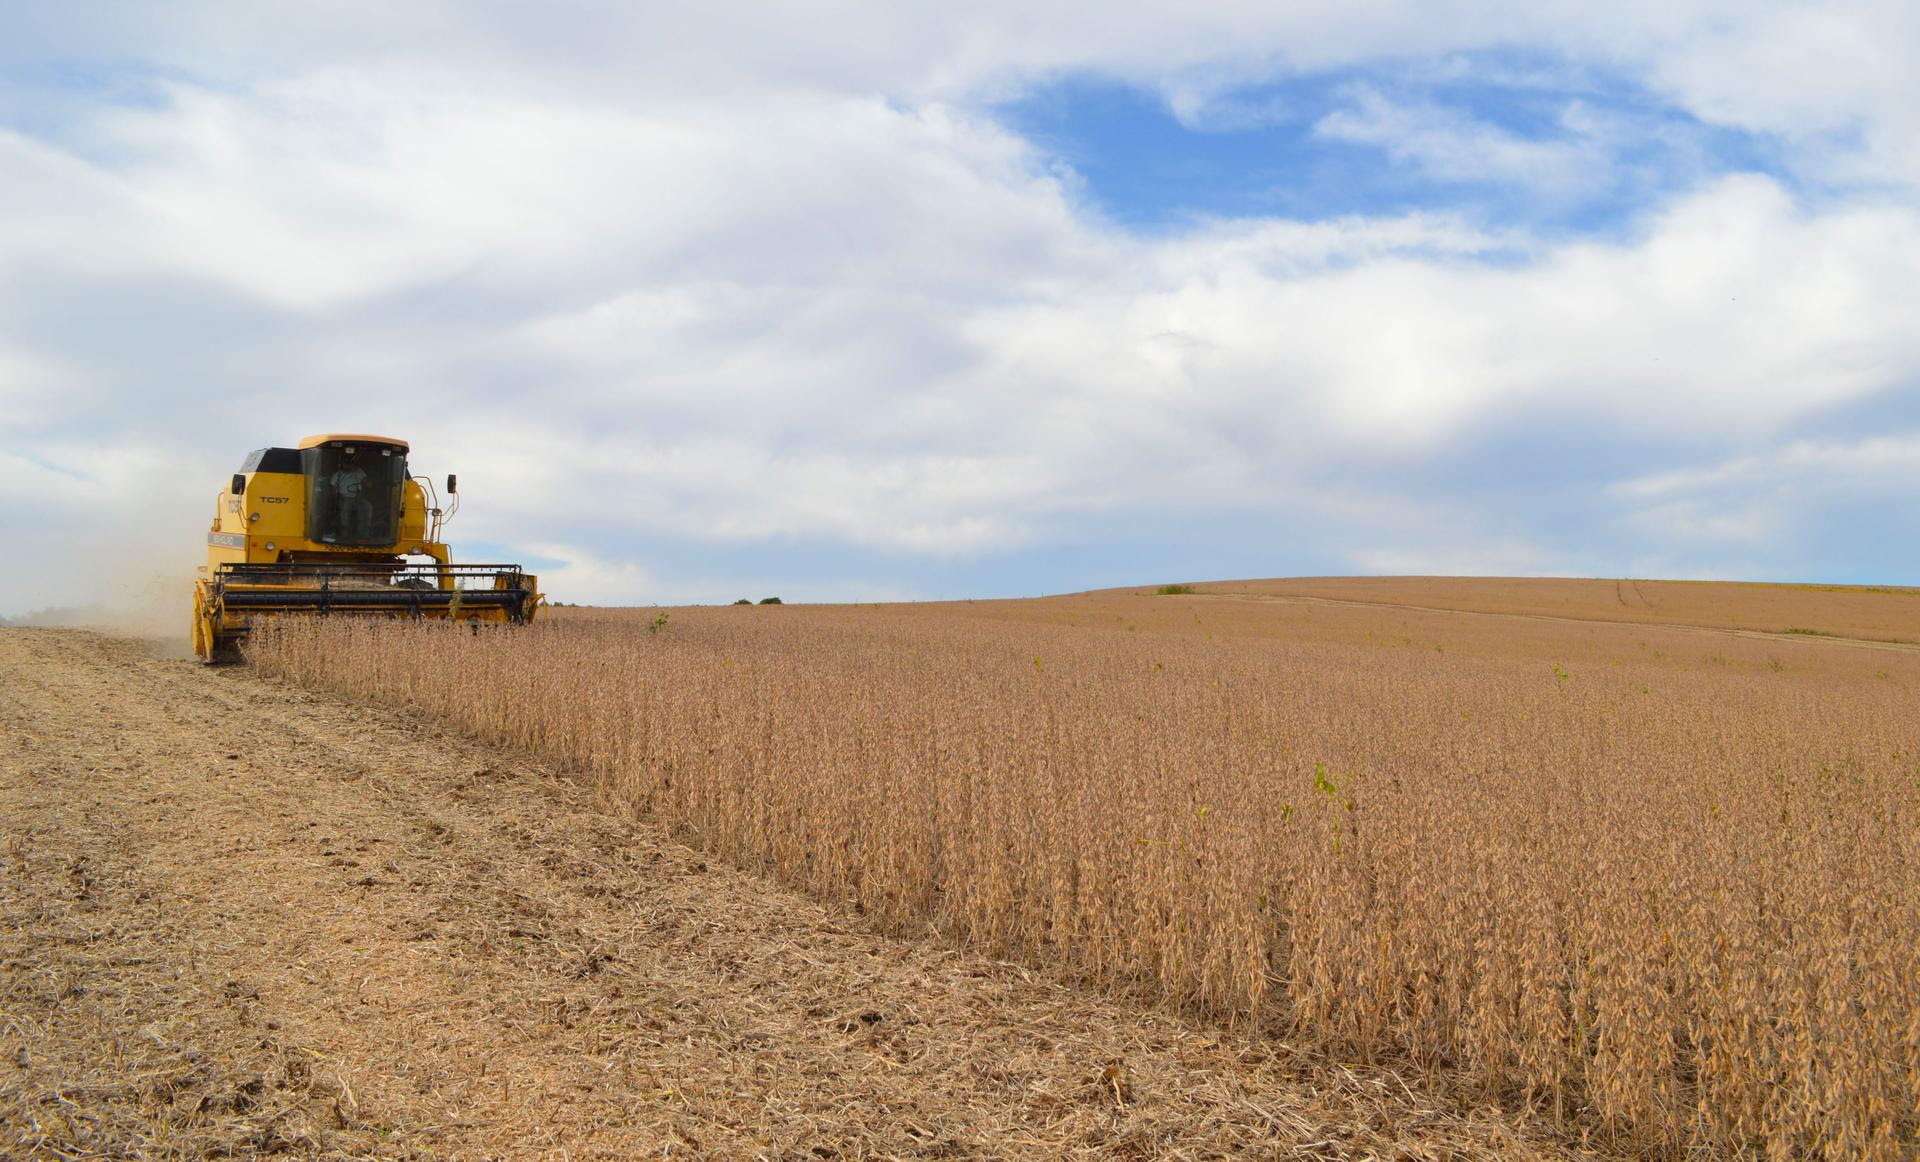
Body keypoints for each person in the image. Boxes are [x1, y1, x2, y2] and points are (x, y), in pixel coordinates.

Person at [330, 460, 373, 542]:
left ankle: (363, 533)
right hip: (345, 497)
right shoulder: (337, 475)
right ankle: (345, 532)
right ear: (342, 464)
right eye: (346, 463)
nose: (349, 466)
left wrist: (367, 482)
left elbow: (369, 484)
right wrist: (338, 496)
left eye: (350, 463)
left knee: (367, 506)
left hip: (358, 498)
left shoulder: (359, 472)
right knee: (345, 507)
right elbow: (333, 488)